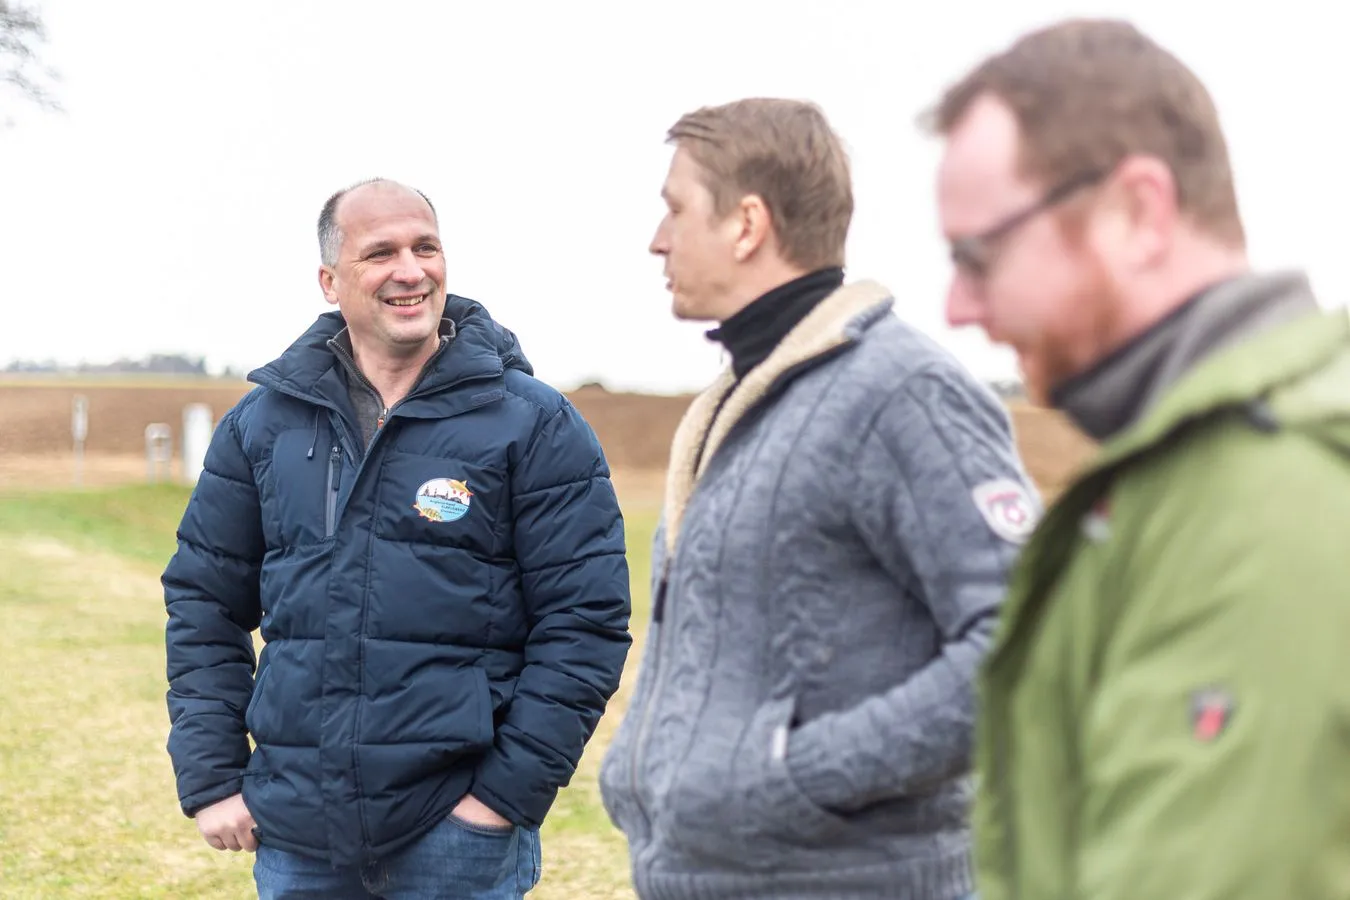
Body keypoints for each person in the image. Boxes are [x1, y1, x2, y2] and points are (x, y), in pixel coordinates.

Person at [924, 18, 1350, 900]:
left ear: (1138, 213)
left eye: (977, 256)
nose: (957, 306)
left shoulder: (1259, 508)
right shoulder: (1174, 483)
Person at [597, 97, 1037, 900]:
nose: (657, 239)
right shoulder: (737, 402)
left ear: (747, 224)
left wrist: (796, 775)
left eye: (675, 209)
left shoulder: (903, 393)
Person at [162, 177, 632, 900]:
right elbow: (204, 604)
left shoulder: (532, 423)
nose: (411, 270)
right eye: (380, 252)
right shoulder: (262, 427)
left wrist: (503, 798)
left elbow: (586, 622)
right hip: (297, 836)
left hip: (458, 835)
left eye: (426, 248)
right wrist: (213, 777)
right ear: (330, 281)